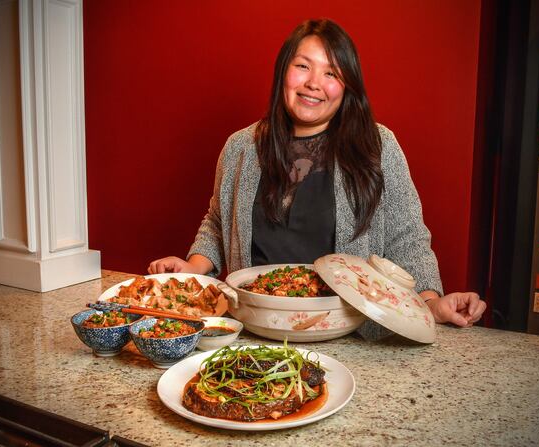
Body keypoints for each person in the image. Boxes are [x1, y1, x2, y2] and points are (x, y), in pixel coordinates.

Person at [149, 19, 486, 333]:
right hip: (256, 328)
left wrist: (430, 304)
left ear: (346, 85)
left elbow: (408, 238)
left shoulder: (377, 145)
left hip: (349, 334)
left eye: (331, 73)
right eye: (303, 66)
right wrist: (193, 267)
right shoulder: (241, 148)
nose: (314, 83)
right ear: (284, 71)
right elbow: (218, 221)